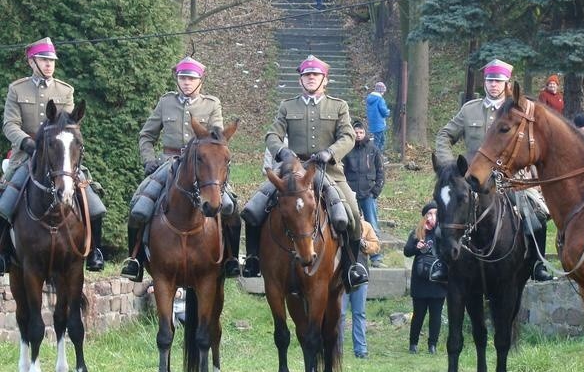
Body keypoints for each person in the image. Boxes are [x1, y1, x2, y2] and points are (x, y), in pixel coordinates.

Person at [241, 55, 368, 292]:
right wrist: (282, 152)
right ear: (300, 80)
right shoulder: (287, 106)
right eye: (307, 75)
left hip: (327, 170)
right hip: (292, 171)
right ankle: (253, 259)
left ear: (324, 80)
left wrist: (330, 153)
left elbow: (348, 136)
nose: (311, 78)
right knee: (253, 208)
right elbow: (272, 135)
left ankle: (353, 266)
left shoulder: (338, 106)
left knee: (350, 212)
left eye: (315, 75)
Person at [120, 56, 241, 282]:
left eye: (191, 78)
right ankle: (134, 259)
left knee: (229, 206)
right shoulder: (165, 102)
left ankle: (231, 259)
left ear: (200, 81)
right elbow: (146, 135)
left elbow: (217, 138)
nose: (186, 82)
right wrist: (148, 160)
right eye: (183, 78)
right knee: (139, 206)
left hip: (204, 167)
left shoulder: (212, 104)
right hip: (168, 163)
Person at [435, 58, 553, 282]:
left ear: (507, 83)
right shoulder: (470, 110)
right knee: (441, 209)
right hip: (472, 178)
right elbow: (444, 135)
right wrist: (450, 166)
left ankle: (538, 262)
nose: (493, 85)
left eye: (498, 81)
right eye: (490, 80)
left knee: (535, 213)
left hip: (509, 178)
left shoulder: (516, 110)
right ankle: (441, 262)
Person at [0, 37, 106, 276]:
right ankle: (3, 253)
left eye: (52, 61)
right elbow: (10, 124)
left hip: (60, 157)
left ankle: (95, 252)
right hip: (27, 156)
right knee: (4, 203)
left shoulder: (65, 90)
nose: (49, 65)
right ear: (32, 61)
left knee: (95, 204)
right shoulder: (17, 89)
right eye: (44, 60)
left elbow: (69, 124)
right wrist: (27, 143)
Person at [404, 202, 447, 355]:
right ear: (424, 217)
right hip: (420, 280)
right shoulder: (417, 233)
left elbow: (450, 251)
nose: (431, 217)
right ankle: (413, 344)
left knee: (435, 315)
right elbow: (407, 251)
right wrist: (417, 247)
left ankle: (432, 345)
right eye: (429, 214)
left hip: (438, 280)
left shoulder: (444, 232)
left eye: (435, 213)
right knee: (419, 314)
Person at [343, 120, 386, 268]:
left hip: (368, 194)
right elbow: (341, 172)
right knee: (351, 224)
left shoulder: (373, 149)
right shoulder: (347, 150)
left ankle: (376, 257)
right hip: (352, 194)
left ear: (365, 133)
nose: (359, 135)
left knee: (372, 224)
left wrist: (376, 191)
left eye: (361, 132)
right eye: (356, 133)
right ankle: (350, 255)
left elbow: (380, 171)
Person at [339, 213, 380, 359]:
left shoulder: (366, 226)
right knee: (340, 314)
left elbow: (376, 246)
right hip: (342, 276)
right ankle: (337, 349)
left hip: (360, 276)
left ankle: (361, 350)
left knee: (359, 313)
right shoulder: (339, 225)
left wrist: (365, 244)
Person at [366, 82, 390, 154]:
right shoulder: (380, 99)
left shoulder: (370, 98)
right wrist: (388, 112)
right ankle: (376, 156)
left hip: (373, 123)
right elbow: (383, 110)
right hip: (379, 123)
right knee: (379, 141)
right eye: (383, 92)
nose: (383, 93)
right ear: (381, 91)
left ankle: (377, 155)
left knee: (380, 139)